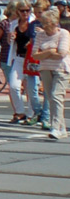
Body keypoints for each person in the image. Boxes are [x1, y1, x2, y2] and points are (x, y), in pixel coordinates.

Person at [34, 10, 69, 139]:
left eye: (46, 22)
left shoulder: (63, 33)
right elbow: (34, 54)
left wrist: (44, 53)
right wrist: (50, 52)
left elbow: (62, 53)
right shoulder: (40, 35)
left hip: (61, 69)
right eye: (42, 22)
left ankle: (55, 128)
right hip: (45, 68)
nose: (43, 25)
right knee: (51, 98)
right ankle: (62, 128)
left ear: (54, 22)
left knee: (56, 96)